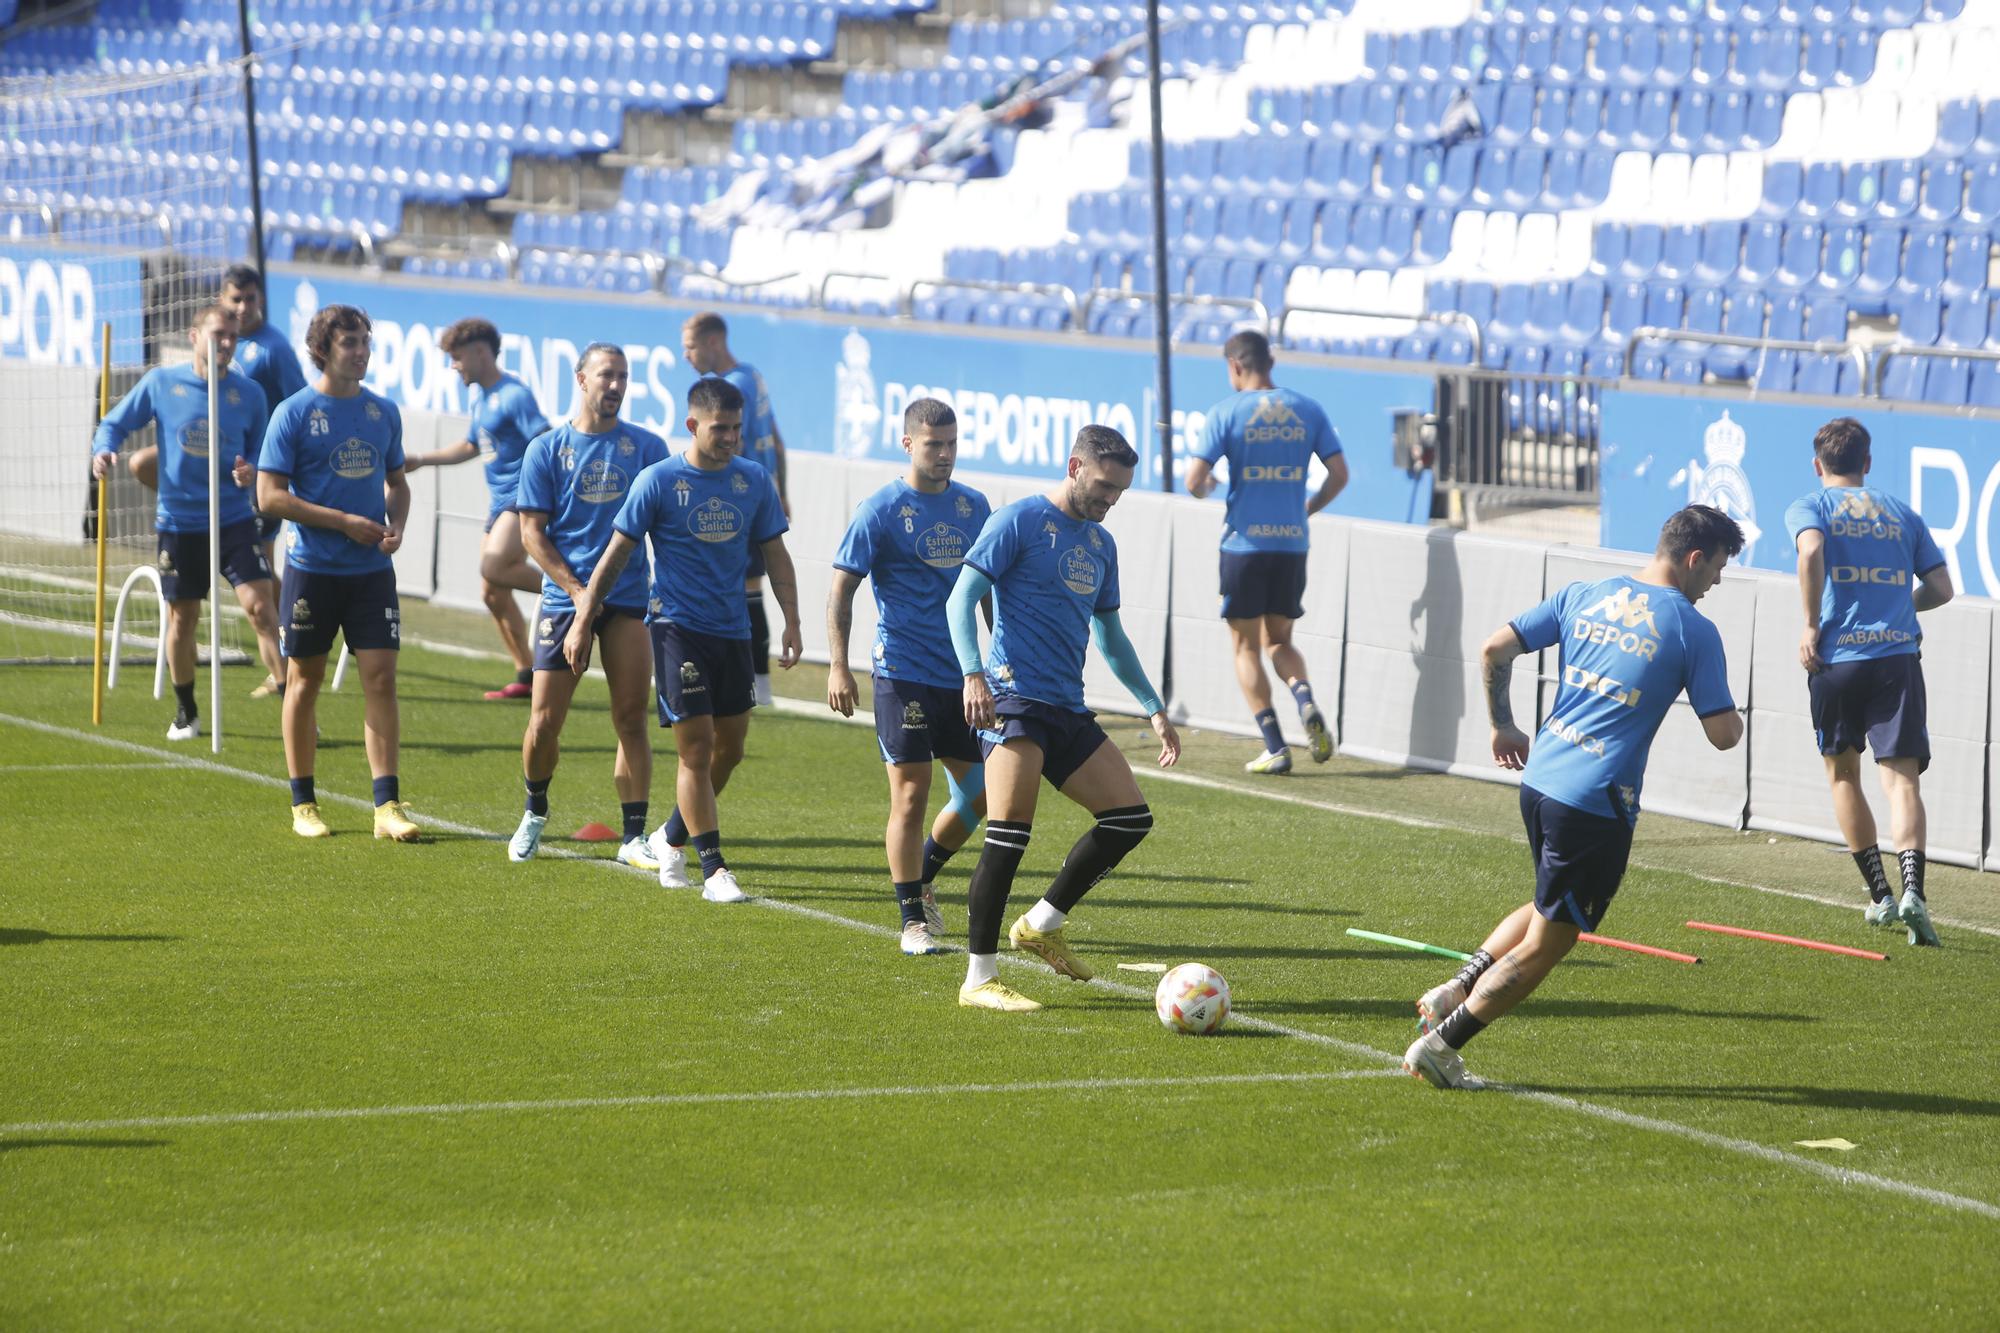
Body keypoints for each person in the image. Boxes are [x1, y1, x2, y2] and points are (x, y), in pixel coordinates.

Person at [1403, 505, 1745, 1089]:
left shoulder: (1583, 593)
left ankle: (1457, 987)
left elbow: (1493, 650)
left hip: (1542, 781)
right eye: (1717, 568)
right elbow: (1723, 735)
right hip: (1596, 800)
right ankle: (1441, 1045)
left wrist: (1502, 725)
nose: (1716, 582)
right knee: (1551, 942)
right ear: (1693, 559)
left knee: (1546, 906)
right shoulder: (1692, 628)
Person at [946, 424, 1181, 1012]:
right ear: (1074, 467)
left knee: (1129, 819)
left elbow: (1111, 635)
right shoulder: (1018, 520)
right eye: (1104, 486)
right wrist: (974, 675)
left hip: (1066, 707)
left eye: (1120, 492)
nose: (1110, 500)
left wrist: (1154, 708)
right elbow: (960, 598)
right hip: (1012, 699)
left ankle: (1041, 923)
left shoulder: (1102, 546)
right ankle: (978, 978)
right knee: (1009, 831)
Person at [571, 376, 801, 903]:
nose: (731, 439)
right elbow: (615, 556)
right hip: (676, 629)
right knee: (695, 749)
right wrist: (584, 618)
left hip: (734, 630)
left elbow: (776, 555)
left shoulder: (753, 480)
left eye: (738, 429)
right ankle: (715, 870)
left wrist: (791, 620)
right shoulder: (657, 481)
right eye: (720, 429)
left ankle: (670, 837)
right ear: (692, 425)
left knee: (732, 750)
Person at [827, 397, 993, 956]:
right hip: (903, 672)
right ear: (907, 444)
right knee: (911, 792)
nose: (944, 454)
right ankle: (912, 920)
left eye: (951, 443)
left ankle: (924, 873)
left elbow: (986, 590)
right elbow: (842, 589)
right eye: (933, 445)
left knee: (983, 793)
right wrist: (837, 666)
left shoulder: (974, 506)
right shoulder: (880, 509)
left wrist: (997, 663)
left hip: (964, 676)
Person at [1785, 417, 1954, 947]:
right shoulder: (1902, 512)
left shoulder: (1811, 506)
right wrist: (1902, 607)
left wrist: (1810, 624)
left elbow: (1810, 550)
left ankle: (1879, 894)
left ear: (1818, 466)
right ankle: (1913, 893)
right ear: (1867, 462)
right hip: (1896, 658)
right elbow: (1942, 588)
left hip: (1837, 659)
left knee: (1843, 776)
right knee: (1902, 781)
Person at [255, 304, 421, 843]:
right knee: (304, 680)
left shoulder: (382, 412)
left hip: (371, 571)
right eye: (350, 343)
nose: (361, 352)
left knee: (381, 677)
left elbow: (397, 482)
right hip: (312, 569)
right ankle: (303, 803)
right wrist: (344, 522)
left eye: (365, 342)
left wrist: (394, 523)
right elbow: (269, 496)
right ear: (323, 349)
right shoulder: (294, 413)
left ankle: (386, 805)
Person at [506, 344, 667, 869]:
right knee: (545, 723)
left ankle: (634, 834)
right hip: (563, 599)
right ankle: (534, 811)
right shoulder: (547, 450)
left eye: (623, 377)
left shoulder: (647, 447)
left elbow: (665, 526)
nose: (616, 385)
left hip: (626, 600)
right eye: (606, 375)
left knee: (630, 717)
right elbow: (531, 535)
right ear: (581, 379)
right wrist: (579, 595)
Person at [90, 304, 283, 739]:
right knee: (183, 618)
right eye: (218, 334)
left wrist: (249, 471)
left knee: (261, 608)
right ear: (195, 337)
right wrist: (103, 450)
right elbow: (114, 424)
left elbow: (262, 454)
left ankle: (295, 703)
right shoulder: (163, 383)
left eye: (233, 336)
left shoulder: (249, 394)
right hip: (179, 522)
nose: (227, 344)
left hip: (233, 519)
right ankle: (186, 712)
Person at [1183, 330, 1345, 774]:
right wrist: (1307, 509)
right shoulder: (1307, 409)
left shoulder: (1227, 412)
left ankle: (1275, 745)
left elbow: (1194, 480)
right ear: (1268, 361)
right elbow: (1339, 473)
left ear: (1235, 365)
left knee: (1245, 647)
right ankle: (1305, 698)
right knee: (1280, 641)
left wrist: (1211, 487)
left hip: (1244, 544)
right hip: (1292, 544)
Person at [401, 317, 553, 701]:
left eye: (457, 358)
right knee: (492, 592)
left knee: (495, 567)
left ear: (481, 353)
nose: (454, 366)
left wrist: (544, 496)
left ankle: (575, 591)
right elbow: (471, 446)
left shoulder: (514, 396)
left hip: (522, 498)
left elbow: (546, 442)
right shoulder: (481, 396)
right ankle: (527, 672)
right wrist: (422, 458)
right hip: (499, 500)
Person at [682, 312, 787, 708]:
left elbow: (733, 450)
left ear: (712, 343)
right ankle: (757, 683)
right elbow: (776, 437)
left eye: (690, 347)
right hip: (763, 494)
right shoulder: (753, 375)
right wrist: (784, 490)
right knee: (750, 587)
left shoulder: (726, 389)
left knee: (744, 590)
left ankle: (755, 684)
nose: (686, 356)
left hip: (742, 500)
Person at [218, 262, 310, 698]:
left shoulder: (272, 349)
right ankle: (293, 640)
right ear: (223, 299)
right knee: (257, 571)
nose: (243, 307)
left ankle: (291, 653)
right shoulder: (224, 343)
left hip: (261, 474)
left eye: (250, 299)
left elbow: (298, 405)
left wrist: (282, 462)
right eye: (235, 299)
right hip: (228, 474)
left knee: (254, 570)